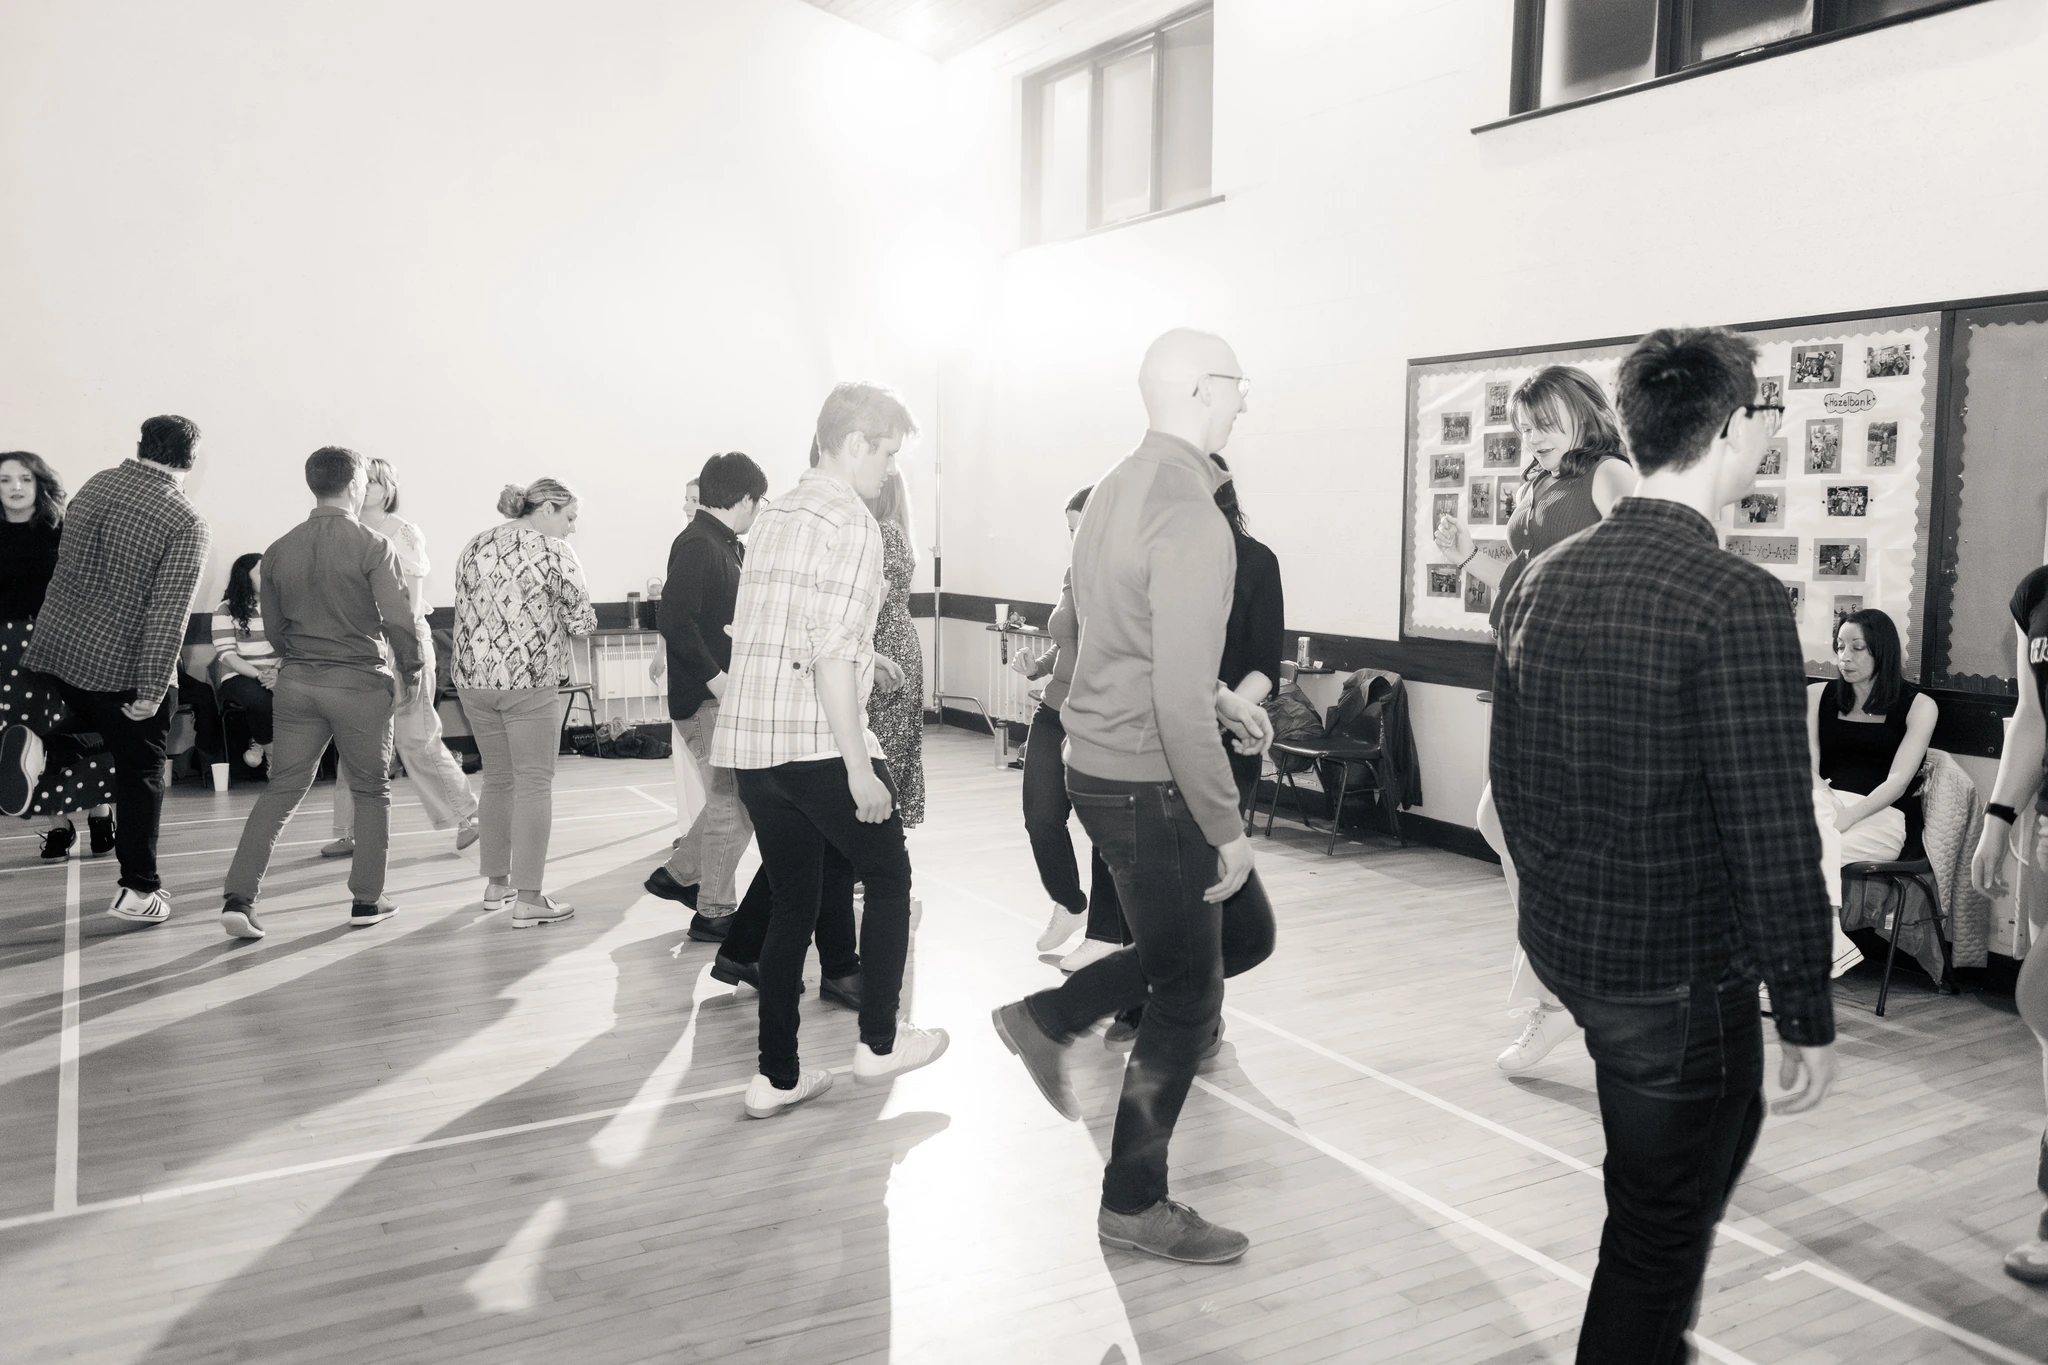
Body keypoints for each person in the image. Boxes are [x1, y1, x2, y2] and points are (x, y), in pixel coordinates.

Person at [1490, 326, 1836, 1362]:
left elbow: (1513, 784)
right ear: (1730, 427)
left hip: (1577, 954)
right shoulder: (1734, 598)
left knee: (1671, 1190)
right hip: (1674, 982)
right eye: (1766, 415)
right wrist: (1805, 1010)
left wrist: (1553, 922)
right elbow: (1771, 830)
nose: (1770, 433)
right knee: (1656, 1230)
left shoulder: (1542, 577)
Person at [991, 328, 1277, 1266]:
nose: (1244, 400)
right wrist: (1228, 827)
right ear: (1201, 390)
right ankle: (1133, 1200)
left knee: (1243, 936)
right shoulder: (1192, 516)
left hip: (1103, 765)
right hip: (1151, 781)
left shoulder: (1115, 486)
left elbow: (1115, 639)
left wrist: (1217, 697)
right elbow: (1170, 697)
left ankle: (1051, 1015)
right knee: (1189, 995)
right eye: (1237, 384)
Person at [710, 382, 948, 1121]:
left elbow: (784, 628)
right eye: (887, 453)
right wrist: (858, 767)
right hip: (816, 743)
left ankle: (776, 1077)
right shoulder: (854, 521)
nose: (889, 469)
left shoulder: (775, 514)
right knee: (888, 874)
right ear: (853, 443)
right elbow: (831, 652)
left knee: (794, 903)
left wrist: (865, 661)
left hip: (753, 743)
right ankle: (879, 1043)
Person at [1435, 365, 1635, 1074]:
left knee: (1519, 826)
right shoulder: (1540, 482)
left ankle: (1562, 998)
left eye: (1546, 423)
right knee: (1503, 823)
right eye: (1524, 427)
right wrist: (1465, 555)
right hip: (1531, 674)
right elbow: (1523, 576)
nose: (1534, 437)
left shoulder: (1607, 473)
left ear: (1583, 413)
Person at [0, 417, 211, 925]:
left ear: (139, 446)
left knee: (100, 733)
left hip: (58, 652)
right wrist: (153, 686)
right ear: (191, 460)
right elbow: (168, 613)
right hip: (122, 667)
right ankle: (139, 890)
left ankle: (49, 749)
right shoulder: (186, 520)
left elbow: (68, 569)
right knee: (142, 772)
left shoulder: (96, 485)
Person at [218, 448, 423, 939]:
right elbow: (399, 619)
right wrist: (411, 672)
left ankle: (239, 897)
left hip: (298, 684)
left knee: (282, 789)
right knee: (371, 791)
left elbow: (275, 630)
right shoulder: (374, 544)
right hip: (358, 685)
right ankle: (367, 900)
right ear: (354, 485)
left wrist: (301, 658)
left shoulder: (278, 549)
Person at [454, 478, 598, 925]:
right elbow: (583, 623)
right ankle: (530, 898)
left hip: (472, 681)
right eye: (570, 517)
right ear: (548, 508)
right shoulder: (555, 551)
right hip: (527, 681)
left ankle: (496, 885)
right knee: (534, 783)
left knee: (498, 780)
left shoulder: (475, 543)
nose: (572, 528)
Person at [325, 457, 481, 858]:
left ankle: (466, 816)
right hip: (360, 647)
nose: (369, 487)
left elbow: (410, 602)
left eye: (377, 481)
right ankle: (348, 831)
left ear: (390, 489)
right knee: (355, 741)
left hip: (404, 643)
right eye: (364, 480)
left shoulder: (403, 532)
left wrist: (402, 651)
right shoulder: (345, 529)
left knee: (416, 738)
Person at [643, 451, 769, 943]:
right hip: (706, 701)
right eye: (759, 502)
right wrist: (717, 679)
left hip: (717, 699)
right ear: (745, 499)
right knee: (732, 804)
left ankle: (679, 876)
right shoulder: (700, 543)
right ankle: (714, 911)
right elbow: (673, 620)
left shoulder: (723, 543)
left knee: (734, 801)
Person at [1971, 564, 2048, 1286]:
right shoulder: (2036, 594)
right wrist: (1998, 817)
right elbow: (2032, 716)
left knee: (2041, 997)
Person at [1020, 486, 1122, 961]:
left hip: (1099, 719)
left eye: (1082, 528)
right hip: (1054, 709)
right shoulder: (1071, 574)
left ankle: (1105, 932)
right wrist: (1037, 666)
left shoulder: (1126, 578)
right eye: (1070, 530)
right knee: (1040, 816)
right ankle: (1070, 902)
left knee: (1103, 830)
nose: (1075, 539)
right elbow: (1067, 642)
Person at [1808, 608, 1939, 975]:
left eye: (1857, 648)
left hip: (1881, 814)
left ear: (1882, 651)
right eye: (1839, 647)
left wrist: (1849, 815)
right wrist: (1829, 802)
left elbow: (1898, 781)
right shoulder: (1816, 695)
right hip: (1822, 802)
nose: (1844, 657)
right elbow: (1806, 765)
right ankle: (1822, 945)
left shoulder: (1919, 706)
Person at [0, 451, 115, 859]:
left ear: (40, 484)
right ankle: (58, 825)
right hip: (7, 652)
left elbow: (91, 590)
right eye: (5, 480)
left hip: (63, 642)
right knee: (24, 739)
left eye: (25, 478)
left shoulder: (63, 532)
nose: (15, 487)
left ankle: (101, 812)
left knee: (73, 728)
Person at [865, 467, 925, 827]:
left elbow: (875, 597)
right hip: (901, 635)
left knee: (880, 739)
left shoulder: (882, 532)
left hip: (885, 639)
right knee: (895, 737)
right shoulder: (899, 531)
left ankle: (880, 823)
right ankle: (889, 823)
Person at [210, 553, 279, 771]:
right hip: (238, 675)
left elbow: (292, 646)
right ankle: (274, 760)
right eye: (260, 571)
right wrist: (260, 675)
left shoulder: (281, 605)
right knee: (261, 699)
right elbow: (227, 655)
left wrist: (277, 671)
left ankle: (259, 741)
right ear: (245, 577)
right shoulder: (225, 609)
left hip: (278, 671)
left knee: (305, 695)